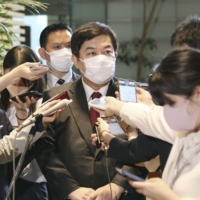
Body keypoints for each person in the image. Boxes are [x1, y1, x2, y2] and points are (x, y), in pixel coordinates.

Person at [36, 22, 148, 200]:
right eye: (91, 53)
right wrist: (71, 189)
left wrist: (119, 184)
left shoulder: (134, 95)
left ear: (115, 55)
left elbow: (148, 145)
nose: (101, 58)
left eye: (107, 51)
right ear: (76, 60)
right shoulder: (56, 96)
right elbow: (44, 148)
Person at [98, 48, 200, 200]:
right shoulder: (185, 129)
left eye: (171, 103)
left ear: (197, 94)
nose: (165, 112)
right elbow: (151, 118)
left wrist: (167, 196)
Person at [0, 44, 49, 200]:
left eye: (25, 82)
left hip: (30, 180)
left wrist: (24, 116)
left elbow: (27, 147)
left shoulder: (42, 104)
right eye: (13, 81)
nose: (18, 87)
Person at [38, 21, 80, 89]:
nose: (65, 52)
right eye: (57, 47)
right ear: (42, 53)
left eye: (69, 46)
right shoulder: (33, 86)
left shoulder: (86, 85)